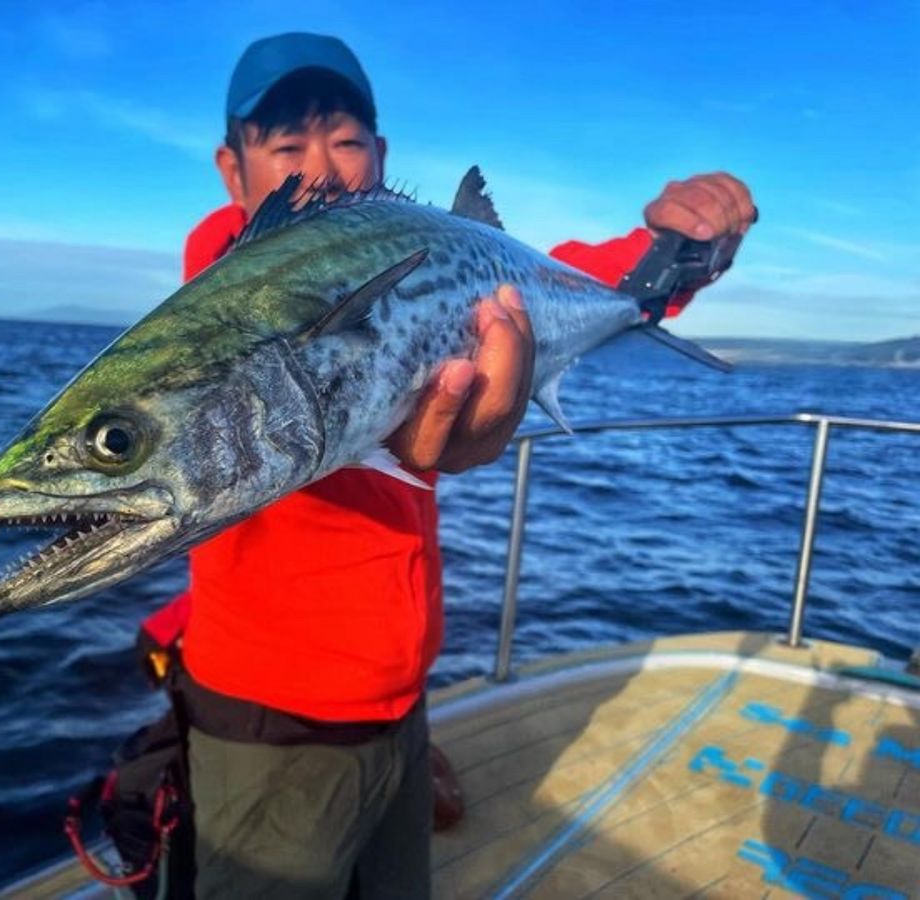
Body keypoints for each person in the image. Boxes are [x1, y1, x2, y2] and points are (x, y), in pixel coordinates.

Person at [140, 32, 756, 899]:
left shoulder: (428, 253)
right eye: (284, 147)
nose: (321, 168)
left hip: (401, 697)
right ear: (232, 170)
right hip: (272, 719)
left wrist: (665, 257)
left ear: (381, 157)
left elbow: (537, 277)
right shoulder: (228, 286)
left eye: (347, 141)